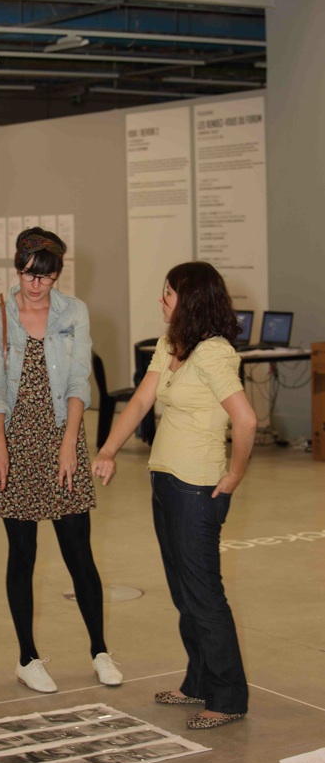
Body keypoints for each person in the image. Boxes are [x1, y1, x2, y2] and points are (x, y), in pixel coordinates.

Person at [92, 261, 257, 729]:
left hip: (196, 488)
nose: (161, 300)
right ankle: (198, 681)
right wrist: (107, 450)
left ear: (191, 300)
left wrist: (234, 475)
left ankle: (228, 697)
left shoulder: (214, 353)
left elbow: (246, 420)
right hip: (165, 481)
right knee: (184, 593)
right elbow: (142, 400)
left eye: (168, 293)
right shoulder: (172, 343)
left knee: (203, 594)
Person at [0, 227, 122, 693]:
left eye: (44, 276)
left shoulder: (73, 312)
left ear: (58, 273)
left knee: (80, 554)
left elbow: (79, 380)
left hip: (63, 435)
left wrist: (69, 442)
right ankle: (27, 657)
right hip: (14, 441)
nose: (35, 284)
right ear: (17, 268)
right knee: (22, 554)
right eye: (27, 274)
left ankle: (100, 651)